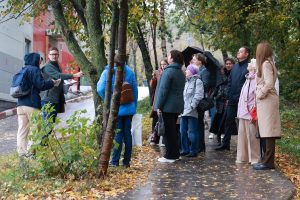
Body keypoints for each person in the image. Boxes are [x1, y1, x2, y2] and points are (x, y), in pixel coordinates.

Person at [97, 56, 138, 168]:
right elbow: (134, 90)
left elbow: (100, 89)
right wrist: (134, 107)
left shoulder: (108, 72)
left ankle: (115, 161)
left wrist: (110, 100)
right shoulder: (129, 71)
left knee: (118, 134)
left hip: (117, 109)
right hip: (129, 109)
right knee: (127, 134)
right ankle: (126, 162)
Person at [16, 53, 60, 157]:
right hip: (32, 104)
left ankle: (21, 153)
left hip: (20, 105)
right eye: (39, 60)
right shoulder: (34, 70)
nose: (40, 62)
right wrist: (52, 82)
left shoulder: (22, 70)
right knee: (35, 128)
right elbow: (41, 85)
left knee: (22, 129)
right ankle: (32, 153)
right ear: (35, 60)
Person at [253, 42, 281, 170]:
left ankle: (268, 162)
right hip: (268, 100)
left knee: (269, 131)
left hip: (267, 100)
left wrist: (260, 94)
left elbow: (269, 83)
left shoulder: (265, 64)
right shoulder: (269, 63)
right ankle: (266, 160)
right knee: (267, 130)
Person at [216, 46, 250, 151]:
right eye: (238, 51)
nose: (238, 53)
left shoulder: (249, 67)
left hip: (243, 100)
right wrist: (228, 97)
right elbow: (230, 82)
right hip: (232, 100)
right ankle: (226, 144)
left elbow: (248, 84)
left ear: (246, 54)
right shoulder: (234, 67)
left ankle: (245, 146)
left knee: (243, 124)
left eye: (241, 51)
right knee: (228, 121)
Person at [154, 50, 185, 163]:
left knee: (168, 131)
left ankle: (170, 156)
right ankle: (175, 154)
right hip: (177, 106)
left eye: (169, 56)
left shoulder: (168, 72)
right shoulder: (180, 72)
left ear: (172, 58)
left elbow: (163, 91)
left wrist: (158, 106)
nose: (167, 57)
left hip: (167, 106)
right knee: (173, 131)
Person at [41, 47, 83, 122]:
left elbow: (59, 79)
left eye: (56, 54)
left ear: (58, 55)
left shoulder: (56, 65)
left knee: (51, 124)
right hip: (48, 99)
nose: (54, 56)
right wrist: (74, 75)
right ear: (48, 55)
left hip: (55, 98)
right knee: (47, 125)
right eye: (52, 54)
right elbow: (59, 76)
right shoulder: (47, 67)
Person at [236, 61, 260, 165]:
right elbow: (242, 97)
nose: (249, 63)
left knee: (252, 136)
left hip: (250, 112)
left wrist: (254, 111)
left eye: (251, 63)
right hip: (243, 112)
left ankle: (254, 159)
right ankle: (243, 157)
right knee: (242, 136)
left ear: (254, 67)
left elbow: (256, 97)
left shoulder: (256, 79)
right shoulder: (248, 78)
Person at [180, 64, 204, 157]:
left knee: (192, 131)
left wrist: (191, 106)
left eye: (187, 70)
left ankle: (193, 151)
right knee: (182, 131)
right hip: (183, 110)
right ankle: (185, 149)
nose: (186, 71)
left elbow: (198, 95)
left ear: (192, 71)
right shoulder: (186, 82)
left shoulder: (198, 81)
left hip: (192, 111)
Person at [210, 58, 234, 144]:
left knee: (227, 118)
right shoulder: (221, 73)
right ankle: (219, 134)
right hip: (220, 99)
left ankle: (224, 135)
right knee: (219, 117)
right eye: (227, 63)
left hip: (229, 99)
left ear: (233, 65)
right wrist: (214, 95)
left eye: (230, 63)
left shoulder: (234, 73)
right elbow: (218, 85)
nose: (228, 65)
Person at [149, 58, 168, 145]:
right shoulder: (158, 73)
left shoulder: (168, 72)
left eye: (164, 64)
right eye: (161, 64)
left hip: (165, 99)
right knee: (155, 118)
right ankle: (154, 137)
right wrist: (153, 77)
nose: (163, 66)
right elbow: (152, 85)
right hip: (157, 98)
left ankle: (164, 139)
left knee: (164, 119)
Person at [192, 53, 208, 152]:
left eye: (194, 58)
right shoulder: (196, 70)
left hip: (200, 101)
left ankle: (201, 146)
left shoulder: (204, 71)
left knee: (199, 124)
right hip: (195, 99)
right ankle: (198, 145)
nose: (193, 60)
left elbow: (205, 85)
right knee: (196, 123)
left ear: (200, 61)